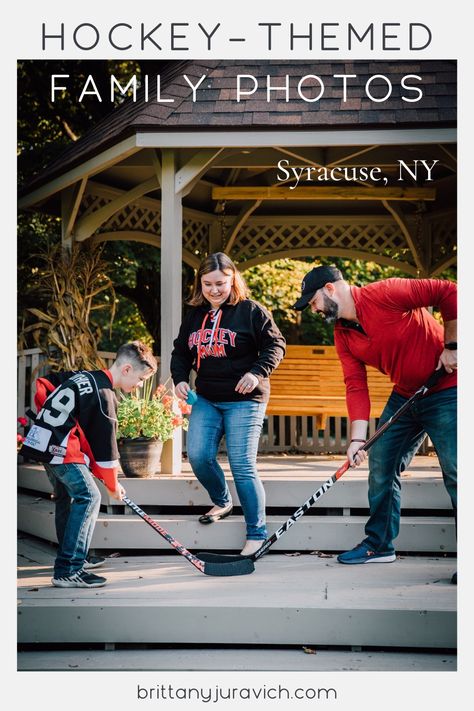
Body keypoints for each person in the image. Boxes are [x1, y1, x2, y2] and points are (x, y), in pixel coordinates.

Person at [293, 265, 457, 581]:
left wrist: (452, 346)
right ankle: (380, 545)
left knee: (457, 471)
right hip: (407, 395)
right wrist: (357, 441)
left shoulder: (386, 293)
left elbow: (449, 291)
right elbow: (356, 385)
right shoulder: (343, 334)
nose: (312, 310)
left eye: (311, 301)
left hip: (448, 388)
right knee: (381, 463)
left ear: (329, 289)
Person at [171, 252, 286, 556]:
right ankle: (222, 500)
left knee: (242, 465)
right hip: (208, 397)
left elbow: (276, 344)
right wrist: (180, 378)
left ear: (233, 279)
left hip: (245, 400)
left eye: (220, 283)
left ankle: (257, 533)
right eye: (208, 284)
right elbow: (180, 352)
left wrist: (256, 372)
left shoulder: (251, 311)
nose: (214, 289)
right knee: (197, 455)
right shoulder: (195, 315)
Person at [21, 341, 157, 588]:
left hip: (42, 444)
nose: (139, 387)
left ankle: (70, 556)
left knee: (67, 497)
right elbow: (105, 450)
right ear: (126, 369)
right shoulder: (105, 396)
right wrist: (113, 485)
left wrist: (51, 423)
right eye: (140, 379)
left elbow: (46, 385)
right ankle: (69, 568)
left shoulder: (84, 376)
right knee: (89, 496)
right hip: (61, 449)